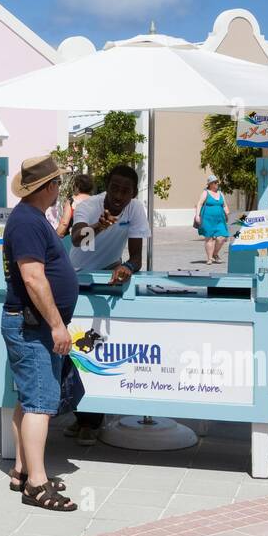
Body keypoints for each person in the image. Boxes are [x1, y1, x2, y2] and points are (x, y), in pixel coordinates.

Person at [1, 155, 78, 512]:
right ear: (47, 187)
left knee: (29, 398)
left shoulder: (32, 218)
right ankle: (36, 483)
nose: (59, 188)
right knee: (40, 405)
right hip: (33, 326)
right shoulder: (27, 222)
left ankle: (22, 470)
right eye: (58, 183)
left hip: (31, 324)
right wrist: (57, 325)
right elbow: (33, 277)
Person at [66, 164, 149, 446]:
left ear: (133, 193)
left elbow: (137, 258)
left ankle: (89, 419)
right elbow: (77, 240)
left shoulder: (136, 209)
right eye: (114, 187)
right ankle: (84, 418)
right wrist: (99, 226)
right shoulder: (89, 206)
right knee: (78, 348)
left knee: (99, 348)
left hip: (106, 280)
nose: (118, 195)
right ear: (107, 186)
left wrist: (126, 266)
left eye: (125, 190)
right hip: (75, 280)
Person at [194, 174, 231, 265]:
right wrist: (197, 216)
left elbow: (224, 205)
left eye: (217, 182)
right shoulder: (206, 192)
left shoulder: (220, 193)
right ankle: (209, 258)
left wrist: (227, 211)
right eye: (215, 182)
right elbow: (199, 204)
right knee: (209, 238)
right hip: (207, 219)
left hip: (220, 220)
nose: (217, 184)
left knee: (222, 237)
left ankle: (215, 253)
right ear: (210, 184)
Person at [50, 173, 94, 238]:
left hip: (74, 238)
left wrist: (55, 236)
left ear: (77, 187)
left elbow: (64, 223)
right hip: (92, 238)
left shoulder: (72, 201)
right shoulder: (95, 201)